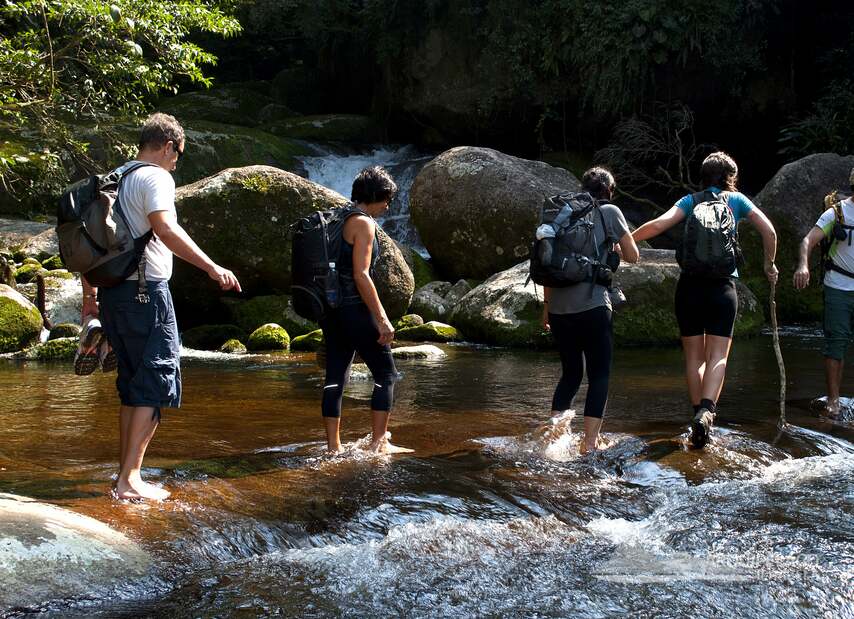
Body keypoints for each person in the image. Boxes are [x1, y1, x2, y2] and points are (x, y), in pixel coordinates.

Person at [81, 113, 241, 500]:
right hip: (145, 292)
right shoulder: (155, 177)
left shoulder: (113, 179)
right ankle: (131, 479)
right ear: (168, 146)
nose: (175, 163)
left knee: (132, 384)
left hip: (114, 295)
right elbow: (166, 229)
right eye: (177, 155)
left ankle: (124, 476)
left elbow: (88, 247)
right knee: (155, 382)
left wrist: (90, 301)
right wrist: (211, 267)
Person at [632, 151, 778, 447]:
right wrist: (768, 264)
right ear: (730, 178)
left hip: (689, 288)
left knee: (694, 356)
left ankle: (697, 414)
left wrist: (626, 240)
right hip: (723, 289)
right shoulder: (736, 201)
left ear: (703, 176)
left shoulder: (690, 201)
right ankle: (708, 413)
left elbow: (659, 224)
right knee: (718, 356)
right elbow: (769, 230)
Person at [541, 167, 639, 454]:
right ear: (609, 190)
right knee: (599, 374)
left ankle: (552, 439)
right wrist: (613, 250)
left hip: (559, 309)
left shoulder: (561, 214)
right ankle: (589, 442)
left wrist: (546, 308)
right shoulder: (609, 212)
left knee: (570, 373)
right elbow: (633, 255)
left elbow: (550, 266)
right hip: (593, 305)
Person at [319, 166, 412, 455]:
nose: (387, 206)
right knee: (386, 375)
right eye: (386, 200)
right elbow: (361, 274)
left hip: (331, 310)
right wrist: (382, 319)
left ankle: (333, 447)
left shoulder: (334, 217)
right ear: (376, 196)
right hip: (355, 310)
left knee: (335, 377)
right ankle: (379, 442)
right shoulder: (364, 224)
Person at [793, 168, 854, 418]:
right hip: (838, 286)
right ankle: (833, 400)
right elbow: (808, 240)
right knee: (836, 343)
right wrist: (803, 265)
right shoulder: (836, 213)